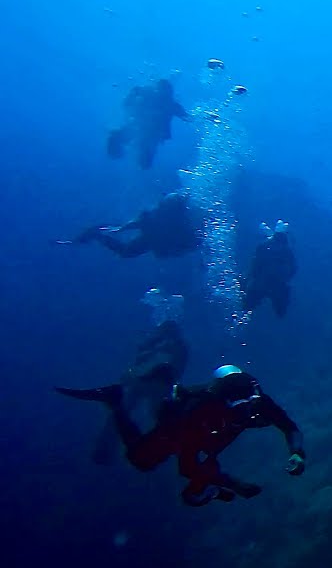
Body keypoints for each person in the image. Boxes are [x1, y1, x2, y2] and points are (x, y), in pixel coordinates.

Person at [56, 364, 306, 506]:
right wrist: (233, 484)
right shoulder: (199, 410)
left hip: (209, 437)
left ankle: (120, 399)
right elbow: (187, 466)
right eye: (240, 408)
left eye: (250, 406)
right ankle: (115, 401)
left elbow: (289, 426)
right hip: (179, 427)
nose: (247, 413)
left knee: (204, 471)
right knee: (141, 459)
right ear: (223, 403)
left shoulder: (258, 401)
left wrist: (297, 453)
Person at [91, 291, 191, 465]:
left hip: (142, 382)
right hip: (158, 385)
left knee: (120, 413)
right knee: (159, 419)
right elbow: (177, 368)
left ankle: (105, 449)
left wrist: (130, 377)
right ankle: (163, 451)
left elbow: (137, 362)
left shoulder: (152, 342)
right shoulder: (177, 345)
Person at [59, 192, 202, 259]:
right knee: (126, 251)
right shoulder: (161, 217)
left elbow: (142, 221)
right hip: (156, 237)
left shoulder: (175, 221)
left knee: (126, 251)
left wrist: (120, 229)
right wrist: (120, 229)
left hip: (158, 238)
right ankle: (94, 234)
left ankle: (94, 234)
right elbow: (143, 220)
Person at [107, 78, 189, 169]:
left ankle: (127, 156)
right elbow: (187, 117)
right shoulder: (164, 101)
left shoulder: (170, 104)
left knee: (144, 161)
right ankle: (119, 151)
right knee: (141, 154)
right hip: (141, 128)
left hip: (147, 131)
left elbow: (186, 117)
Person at [242, 220, 297, 317]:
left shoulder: (264, 246)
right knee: (280, 311)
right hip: (276, 284)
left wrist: (248, 279)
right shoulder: (287, 250)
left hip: (262, 282)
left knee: (246, 308)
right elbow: (293, 269)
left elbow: (254, 265)